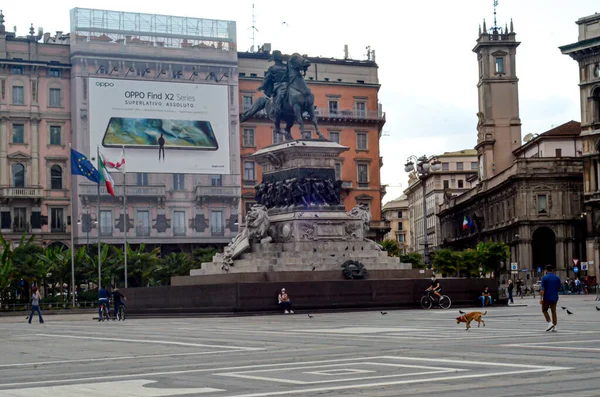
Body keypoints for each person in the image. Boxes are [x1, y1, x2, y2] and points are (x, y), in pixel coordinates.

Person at [258, 50, 288, 118]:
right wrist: (262, 86)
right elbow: (267, 78)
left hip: (288, 84)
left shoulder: (286, 66)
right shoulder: (272, 68)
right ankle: (276, 108)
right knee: (280, 94)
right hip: (278, 85)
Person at [540, 265, 562, 332]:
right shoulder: (557, 278)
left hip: (546, 297)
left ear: (546, 270)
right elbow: (559, 287)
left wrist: (540, 298)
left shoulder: (544, 278)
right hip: (555, 297)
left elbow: (542, 290)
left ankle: (549, 322)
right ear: (552, 270)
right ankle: (555, 326)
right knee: (553, 311)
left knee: (544, 310)